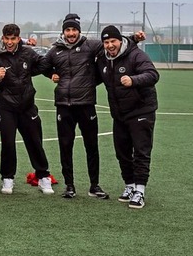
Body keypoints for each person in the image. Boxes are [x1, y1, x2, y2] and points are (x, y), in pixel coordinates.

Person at [43, 13, 110, 199]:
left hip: (86, 104)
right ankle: (69, 186)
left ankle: (94, 186)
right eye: (67, 30)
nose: (71, 33)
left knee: (91, 145)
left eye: (74, 30)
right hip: (64, 105)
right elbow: (41, 66)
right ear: (63, 32)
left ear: (79, 31)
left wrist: (135, 38)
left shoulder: (91, 45)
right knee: (66, 145)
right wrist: (51, 74)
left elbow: (111, 43)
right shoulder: (55, 50)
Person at [96, 25, 159, 209]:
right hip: (120, 114)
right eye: (106, 42)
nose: (110, 45)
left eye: (113, 41)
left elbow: (153, 74)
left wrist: (133, 80)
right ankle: (129, 186)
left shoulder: (136, 55)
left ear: (120, 40)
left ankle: (140, 190)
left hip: (141, 111)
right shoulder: (103, 59)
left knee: (141, 152)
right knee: (122, 152)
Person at [0, 24, 53, 195]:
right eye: (6, 39)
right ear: (3, 38)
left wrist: (52, 74)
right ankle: (7, 178)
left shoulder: (28, 53)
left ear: (18, 38)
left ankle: (43, 176)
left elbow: (42, 65)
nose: (9, 42)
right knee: (8, 143)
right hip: (7, 107)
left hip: (27, 106)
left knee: (35, 142)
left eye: (13, 39)